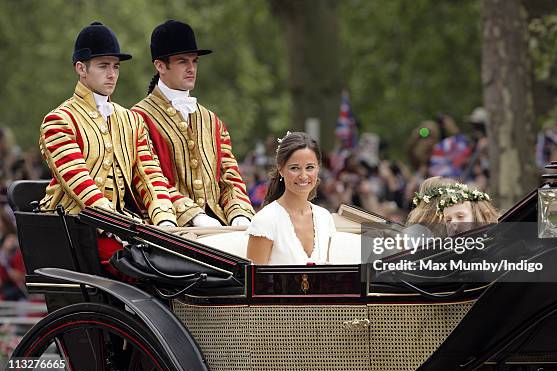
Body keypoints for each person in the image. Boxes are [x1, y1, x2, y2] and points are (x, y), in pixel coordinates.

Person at [39, 22, 178, 263]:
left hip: (124, 227)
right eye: (103, 66)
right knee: (145, 267)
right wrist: (120, 226)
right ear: (81, 68)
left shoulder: (131, 120)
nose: (112, 74)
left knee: (177, 262)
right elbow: (81, 185)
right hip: (77, 230)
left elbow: (150, 175)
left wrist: (164, 220)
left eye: (116, 66)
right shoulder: (59, 121)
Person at [133, 20, 254, 227]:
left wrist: (238, 215)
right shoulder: (137, 118)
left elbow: (230, 178)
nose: (191, 68)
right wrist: (194, 216)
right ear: (160, 65)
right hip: (167, 229)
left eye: (195, 61)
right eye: (182, 62)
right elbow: (149, 179)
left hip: (219, 227)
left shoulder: (212, 121)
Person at [246, 132, 336, 265]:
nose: (303, 176)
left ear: (318, 168)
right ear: (281, 169)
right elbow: (254, 282)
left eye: (310, 167)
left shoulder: (324, 218)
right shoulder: (265, 220)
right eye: (295, 168)